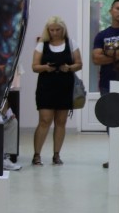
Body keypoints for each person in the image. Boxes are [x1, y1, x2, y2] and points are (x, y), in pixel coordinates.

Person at [30, 16, 82, 166]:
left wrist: (69, 68)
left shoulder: (71, 43)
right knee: (44, 120)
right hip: (46, 87)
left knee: (61, 121)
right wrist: (46, 67)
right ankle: (37, 154)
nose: (54, 33)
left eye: (57, 30)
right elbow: (34, 67)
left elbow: (79, 64)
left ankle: (56, 154)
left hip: (65, 87)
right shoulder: (42, 45)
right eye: (51, 30)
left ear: (63, 29)